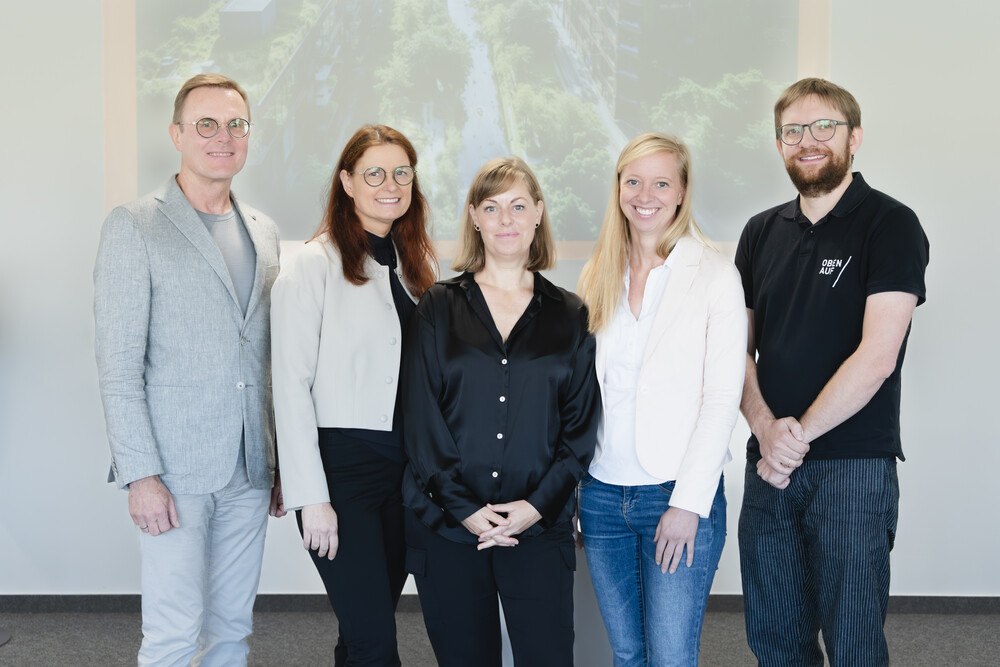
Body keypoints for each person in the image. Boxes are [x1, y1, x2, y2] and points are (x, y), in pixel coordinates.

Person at [736, 78, 930, 666]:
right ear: (779, 144)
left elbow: (877, 356)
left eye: (825, 126)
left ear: (854, 137)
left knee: (853, 642)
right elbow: (735, 353)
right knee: (775, 640)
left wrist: (795, 438)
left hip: (852, 467)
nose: (808, 140)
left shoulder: (891, 223)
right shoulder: (759, 232)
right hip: (769, 465)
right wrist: (767, 432)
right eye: (793, 130)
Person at [94, 73, 284, 666]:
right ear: (177, 134)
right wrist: (140, 475)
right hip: (173, 472)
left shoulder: (265, 232)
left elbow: (264, 356)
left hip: (250, 468)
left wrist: (278, 460)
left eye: (235, 124)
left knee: (233, 629)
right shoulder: (134, 225)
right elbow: (118, 369)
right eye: (206, 124)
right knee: (173, 633)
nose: (223, 136)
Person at [401, 157, 600, 667]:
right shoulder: (438, 306)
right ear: (474, 217)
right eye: (491, 208)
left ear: (538, 213)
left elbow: (579, 430)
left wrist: (535, 507)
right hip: (449, 527)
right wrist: (464, 508)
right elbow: (421, 420)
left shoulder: (570, 313)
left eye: (518, 206)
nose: (506, 219)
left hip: (537, 528)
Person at [576, 133, 747, 666]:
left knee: (671, 657)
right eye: (633, 181)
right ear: (618, 189)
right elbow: (585, 392)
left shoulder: (715, 275)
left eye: (661, 183)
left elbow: (722, 398)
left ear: (682, 192)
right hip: (601, 494)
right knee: (627, 654)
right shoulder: (597, 275)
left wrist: (689, 503)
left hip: (674, 493)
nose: (645, 195)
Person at [270, 124, 437, 666]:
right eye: (375, 173)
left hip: (404, 473)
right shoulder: (311, 265)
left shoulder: (414, 266)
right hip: (342, 474)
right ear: (346, 181)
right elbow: (290, 386)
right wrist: (310, 498)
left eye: (401, 173)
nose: (391, 185)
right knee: (375, 642)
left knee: (363, 629)